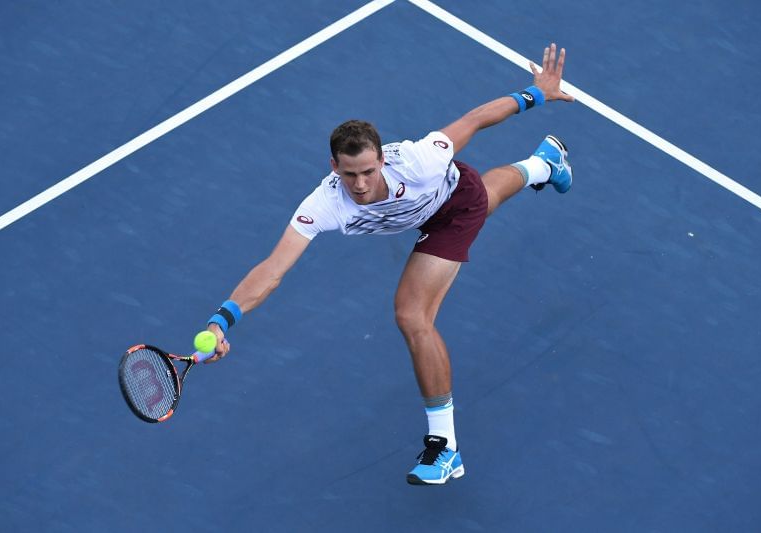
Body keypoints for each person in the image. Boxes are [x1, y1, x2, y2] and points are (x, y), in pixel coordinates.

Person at [203, 43, 575, 485]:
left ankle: (444, 448)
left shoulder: (420, 160)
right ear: (333, 167)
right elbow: (273, 268)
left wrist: (536, 92)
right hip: (429, 210)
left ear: (382, 159)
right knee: (491, 197)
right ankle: (542, 165)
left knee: (412, 313)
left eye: (367, 171)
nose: (359, 185)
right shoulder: (324, 203)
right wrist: (221, 322)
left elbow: (473, 121)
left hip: (454, 201)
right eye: (348, 174)